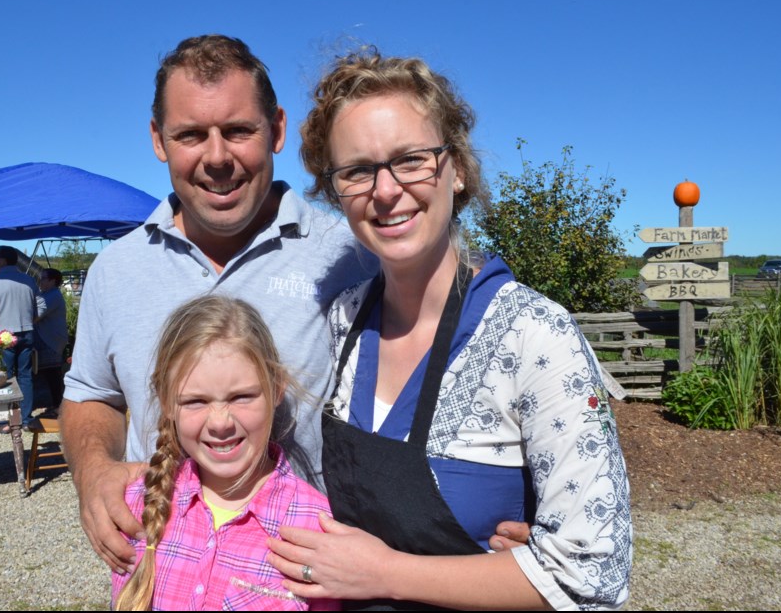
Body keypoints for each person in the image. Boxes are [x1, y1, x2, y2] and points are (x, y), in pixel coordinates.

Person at [265, 48, 633, 609]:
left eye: (411, 159)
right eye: (357, 171)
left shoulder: (534, 335)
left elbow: (592, 573)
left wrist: (387, 574)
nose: (386, 190)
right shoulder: (341, 321)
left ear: (456, 168)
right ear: (334, 190)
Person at [60, 34, 376, 575]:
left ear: (276, 130)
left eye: (237, 130)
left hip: (305, 578)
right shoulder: (117, 270)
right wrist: (93, 470)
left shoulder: (349, 257)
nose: (217, 158)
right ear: (159, 140)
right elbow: (92, 393)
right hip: (163, 575)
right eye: (190, 135)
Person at [112, 295, 339, 611]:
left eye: (241, 397)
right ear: (166, 402)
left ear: (276, 389)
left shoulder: (315, 527)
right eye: (196, 401)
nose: (220, 423)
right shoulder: (139, 504)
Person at [0, 245, 39, 433]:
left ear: (2, 260)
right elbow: (41, 307)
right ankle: (26, 418)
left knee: (1, 377)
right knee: (25, 376)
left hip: (3, 336)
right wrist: (30, 320)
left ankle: (5, 420)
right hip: (27, 331)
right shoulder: (29, 280)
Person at [34, 267, 68, 420]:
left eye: (43, 279)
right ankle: (55, 405)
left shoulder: (53, 296)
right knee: (50, 373)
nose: (40, 282)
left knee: (52, 373)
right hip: (49, 338)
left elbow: (36, 315)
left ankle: (58, 406)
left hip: (51, 340)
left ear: (53, 281)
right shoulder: (46, 294)